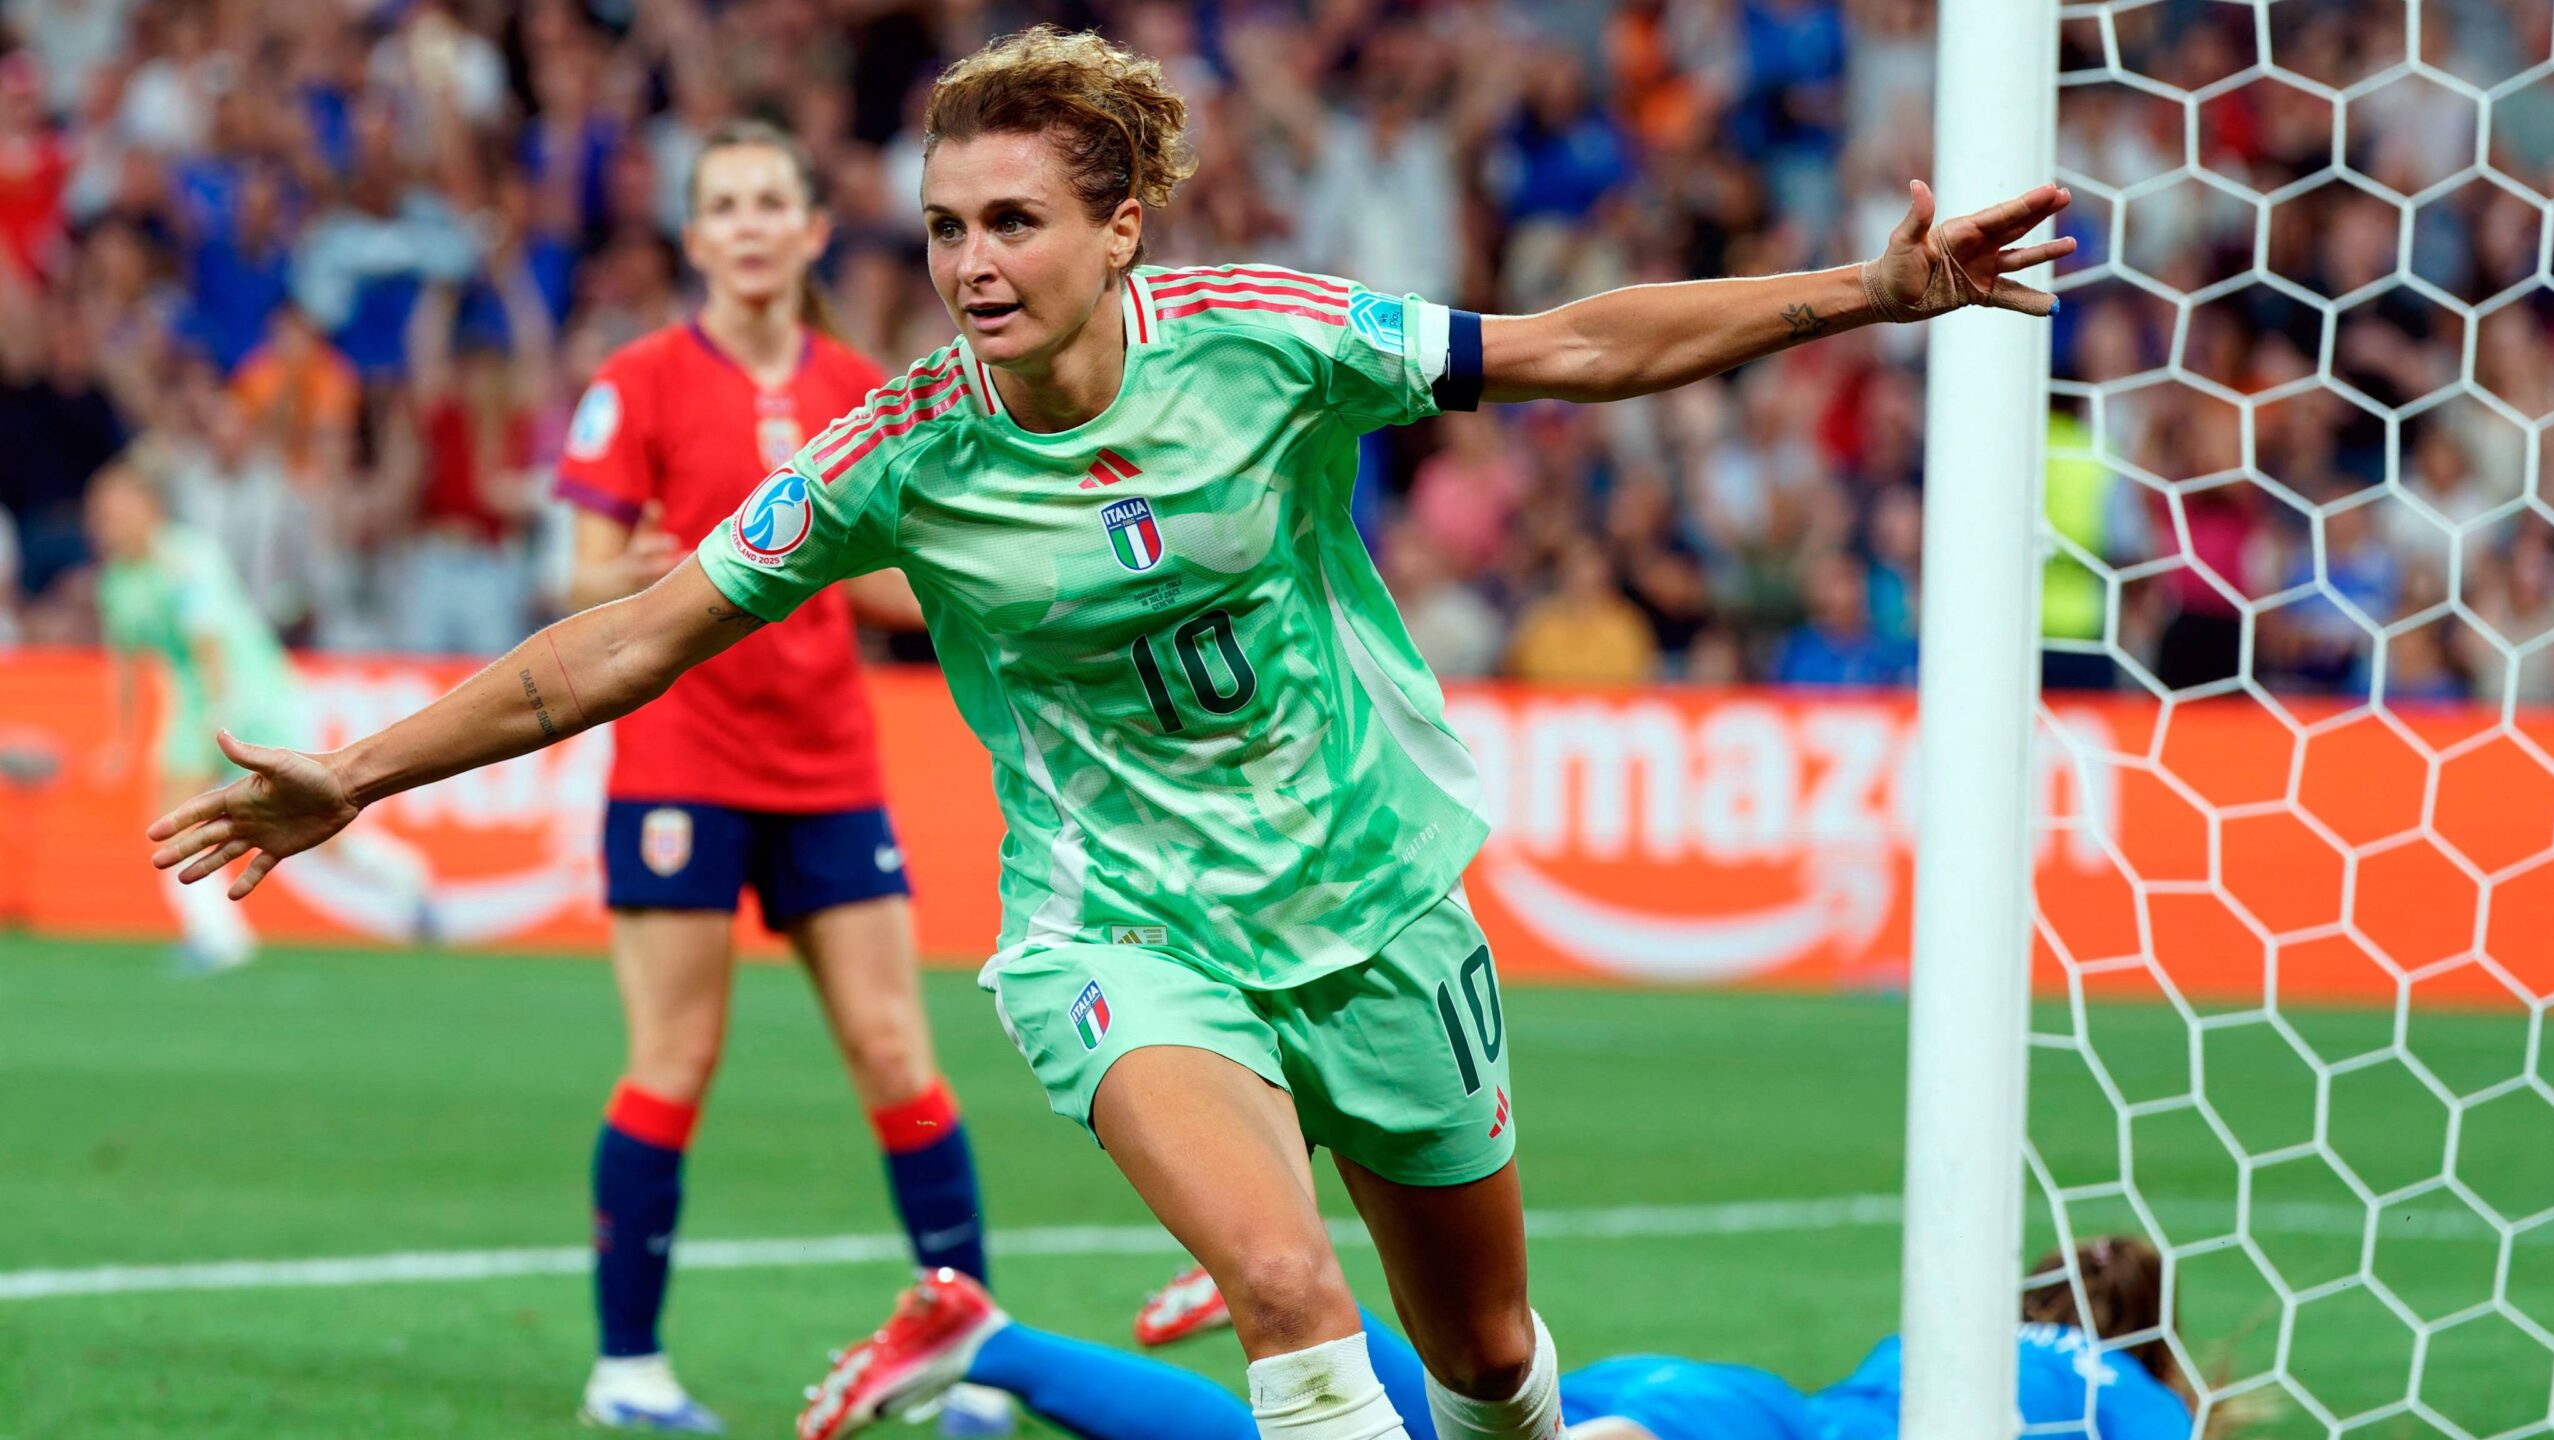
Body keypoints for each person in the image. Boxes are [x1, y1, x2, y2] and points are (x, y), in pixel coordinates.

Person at [147, 28, 2072, 1440]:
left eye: (1014, 221)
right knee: (1286, 1290)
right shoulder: (898, 451)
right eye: (943, 227)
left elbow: (1565, 347)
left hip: (1373, 902)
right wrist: (360, 769)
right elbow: (630, 638)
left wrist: (1870, 291)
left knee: (1486, 1361)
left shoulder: (1266, 336)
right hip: (1122, 932)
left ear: (1120, 228)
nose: (971, 263)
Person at [547, 119, 994, 1434]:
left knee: (896, 1051)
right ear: (694, 238)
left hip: (827, 765)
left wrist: (983, 587)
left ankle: (973, 1354)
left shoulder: (863, 385)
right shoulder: (637, 378)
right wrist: (627, 577)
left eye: (769, 203)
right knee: (675, 1057)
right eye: (725, 205)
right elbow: (576, 579)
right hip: (680, 764)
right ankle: (627, 1368)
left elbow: (898, 584)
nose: (748, 225)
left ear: (811, 231)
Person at [798, 1238, 2193, 1440]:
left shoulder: (1951, 1339)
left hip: (1710, 1398)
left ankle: (987, 1339)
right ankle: (1297, 1298)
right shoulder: (2146, 1410)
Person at [89, 463, 431, 970]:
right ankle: (218, 937)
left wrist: (219, 716)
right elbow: (123, 667)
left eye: (118, 509)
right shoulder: (117, 583)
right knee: (170, 819)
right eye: (101, 513)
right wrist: (121, 740)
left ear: (149, 507)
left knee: (308, 819)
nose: (107, 522)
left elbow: (209, 640)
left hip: (250, 694)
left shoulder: (185, 558)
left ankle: (406, 876)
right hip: (195, 700)